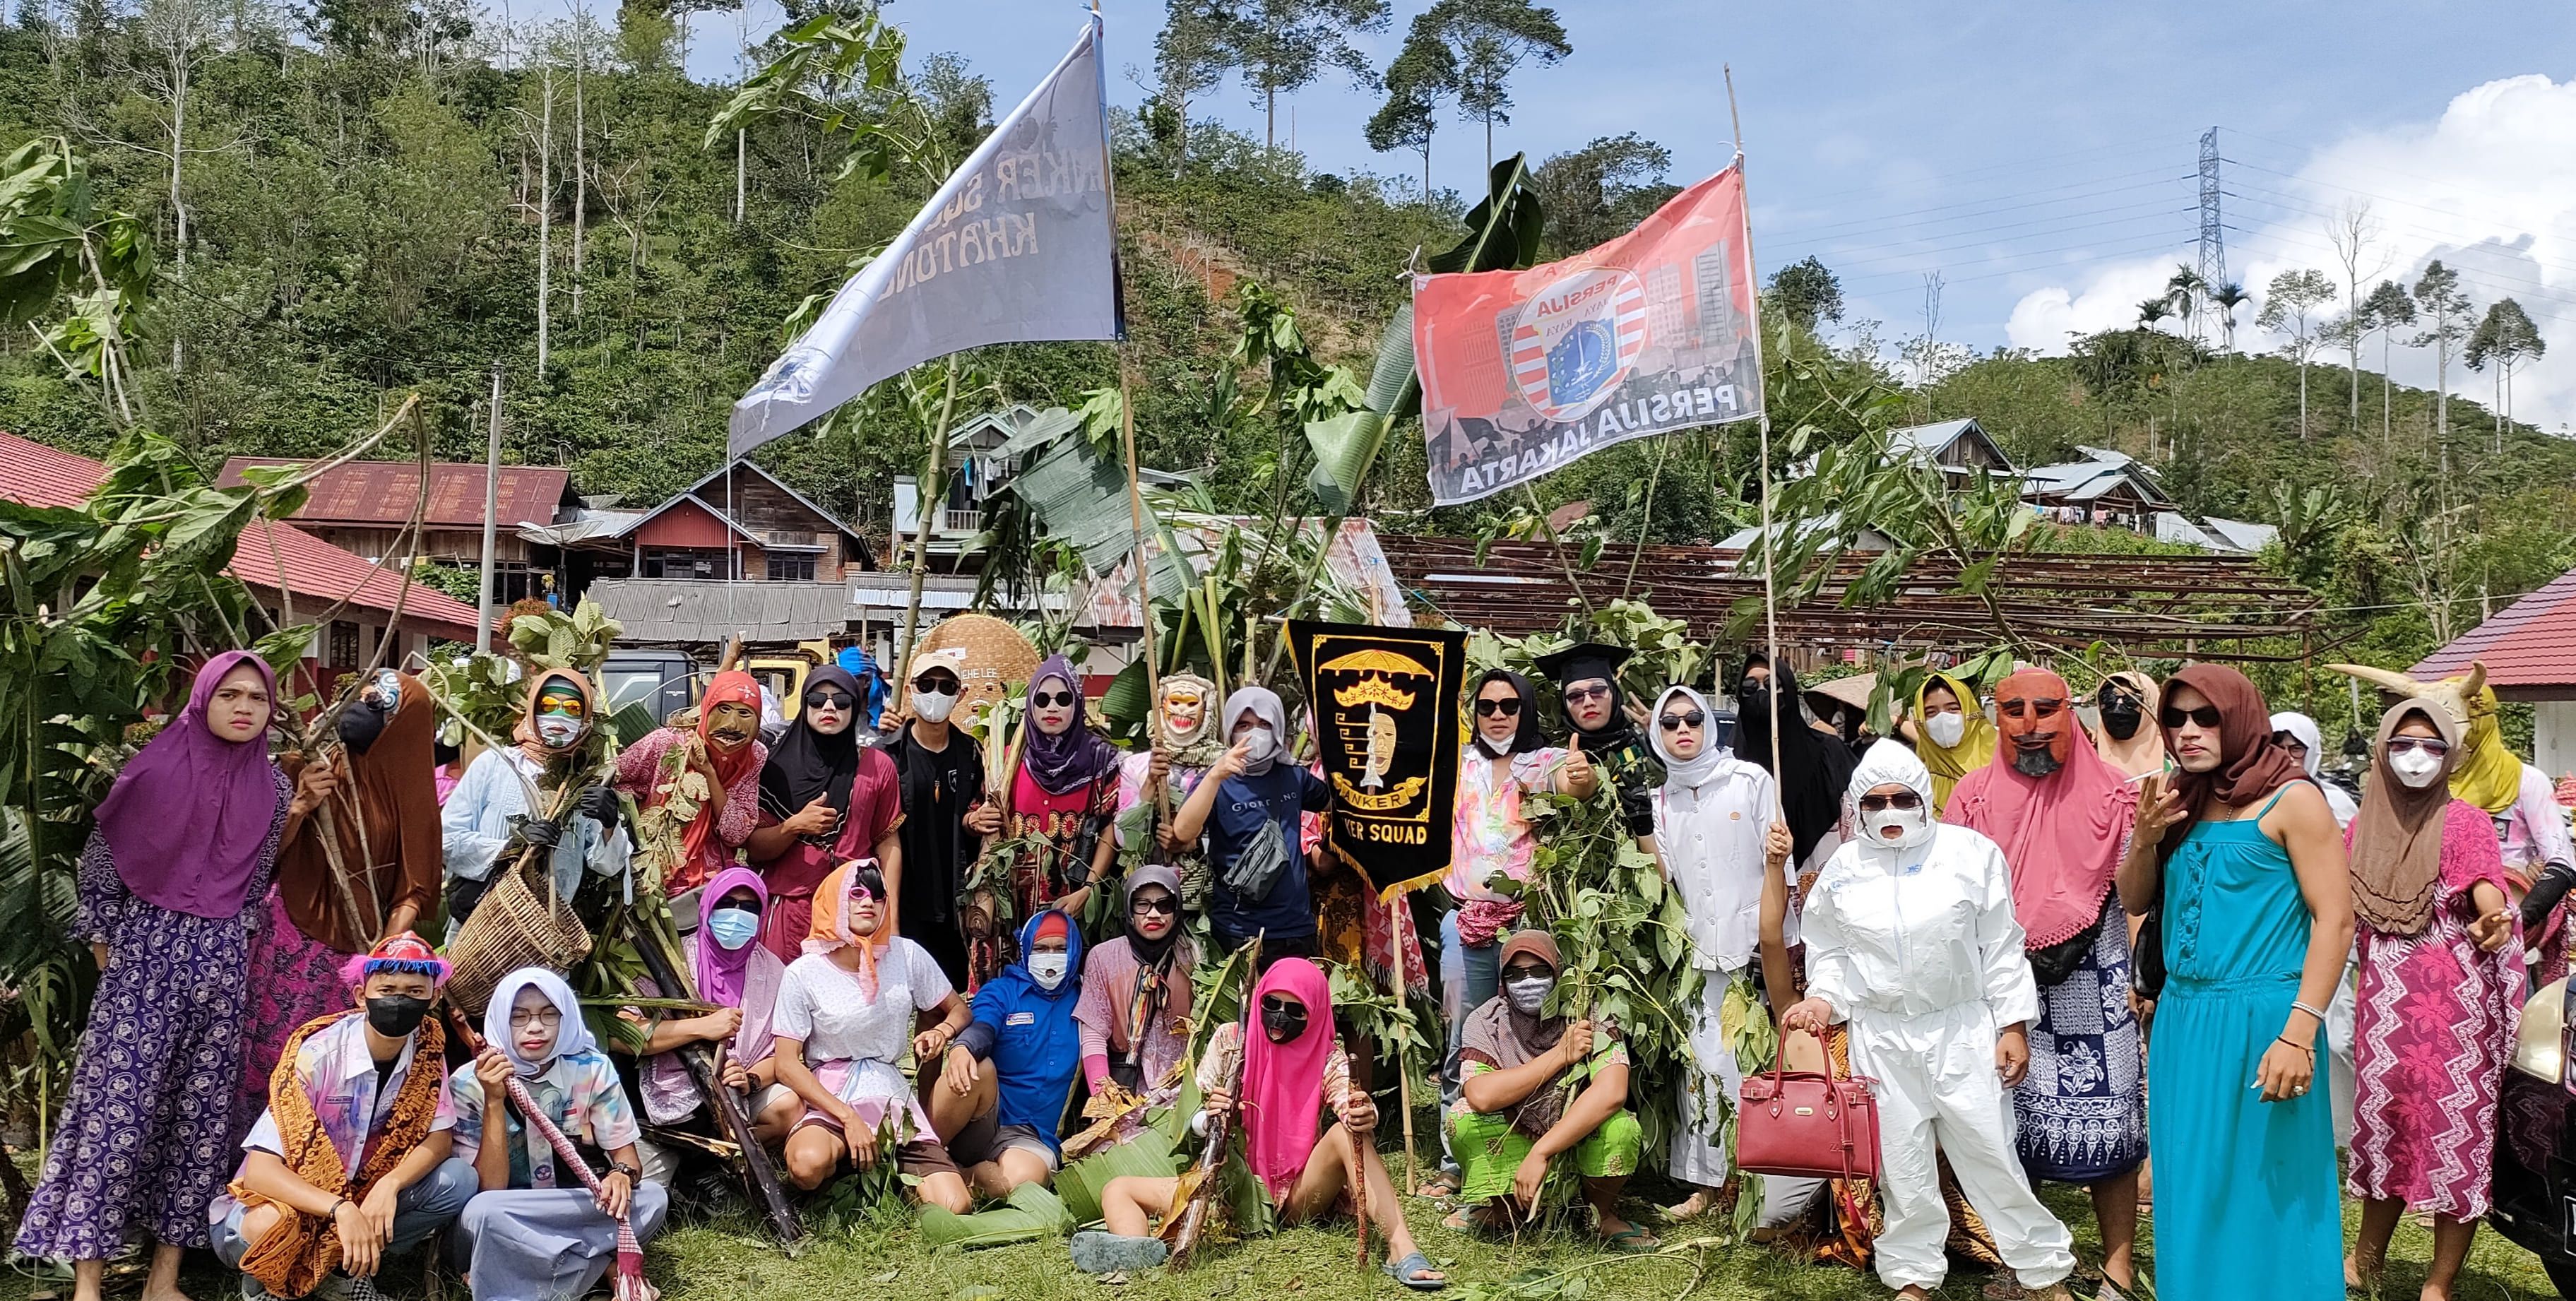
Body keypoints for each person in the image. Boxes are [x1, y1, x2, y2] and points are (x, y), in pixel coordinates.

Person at [15, 652, 327, 1301]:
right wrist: (110, 954)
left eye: (258, 699)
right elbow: (103, 867)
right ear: (203, 699)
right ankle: (88, 1284)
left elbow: (255, 877)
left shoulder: (268, 788)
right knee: (116, 1113)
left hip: (221, 964)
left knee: (199, 1122)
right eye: (229, 695)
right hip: (145, 957)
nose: (243, 708)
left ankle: (164, 1279)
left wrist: (295, 813)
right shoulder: (155, 770)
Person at [1781, 741, 2078, 1301]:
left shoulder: (1970, 854)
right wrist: (1822, 1001)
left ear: (1923, 798)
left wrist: (2012, 1024)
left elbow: (2000, 945)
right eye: (1874, 802)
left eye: (1901, 798)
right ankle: (1912, 1276)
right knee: (1901, 1164)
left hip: (1960, 1029)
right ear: (1856, 807)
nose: (1888, 811)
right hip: (1880, 1035)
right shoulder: (1843, 868)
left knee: (1991, 1155)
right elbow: (1831, 955)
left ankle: (2044, 1275)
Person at [2114, 664, 2351, 1301]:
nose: (2187, 731)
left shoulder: (2293, 799)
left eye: (2205, 717)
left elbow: (2335, 920)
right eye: (2175, 718)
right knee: (2191, 1179)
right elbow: (2136, 898)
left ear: (2240, 717)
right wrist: (2144, 840)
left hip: (2267, 1017)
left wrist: (2299, 1034)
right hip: (2183, 1018)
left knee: (2268, 1183)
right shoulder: (2178, 796)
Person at [1943, 668, 2145, 1290]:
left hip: (2097, 977)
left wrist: (2141, 980)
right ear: (1995, 717)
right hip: (1998, 984)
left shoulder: (2117, 794)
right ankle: (2028, 1270)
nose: (2029, 727)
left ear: (2071, 713)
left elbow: (2139, 896)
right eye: (2012, 711)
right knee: (2008, 1125)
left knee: (2109, 1124)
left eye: (2045, 710)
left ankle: (2115, 1272)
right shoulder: (1970, 797)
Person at [1093, 959, 1447, 1290]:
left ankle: (1401, 1245)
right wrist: (1208, 1118)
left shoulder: (1327, 1057)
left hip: (1296, 1195)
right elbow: (1187, 1114)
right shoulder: (1232, 1041)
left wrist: (1364, 1114)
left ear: (1317, 1014)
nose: (1279, 1018)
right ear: (1258, 998)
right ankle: (1136, 1250)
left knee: (1345, 1132)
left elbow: (1347, 1101)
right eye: (1271, 1005)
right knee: (1117, 1189)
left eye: (1296, 1011)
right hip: (1223, 1190)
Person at [2343, 700, 2522, 1301]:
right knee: (2384, 1125)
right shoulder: (2359, 826)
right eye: (2401, 744)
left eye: (2431, 746)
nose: (2416, 758)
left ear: (2449, 756)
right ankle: (2363, 1260)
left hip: (2454, 1003)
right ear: (2381, 751)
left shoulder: (2464, 821)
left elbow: (2484, 884)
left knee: (2455, 1134)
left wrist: (2493, 915)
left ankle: (2438, 1284)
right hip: (2383, 1003)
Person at [236, 670, 443, 1150]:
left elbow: (414, 889)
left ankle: (315, 1169)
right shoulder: (304, 766)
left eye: (380, 706)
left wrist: (380, 958)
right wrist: (301, 805)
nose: (363, 710)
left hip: (348, 962)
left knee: (324, 1074)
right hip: (285, 936)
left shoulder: (410, 796)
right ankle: (247, 1175)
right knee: (261, 1064)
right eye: (362, 698)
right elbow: (262, 860)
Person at [211, 933, 474, 1300]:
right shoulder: (318, 1055)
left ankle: (343, 1270)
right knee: (271, 1223)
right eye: (388, 988)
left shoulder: (428, 1050)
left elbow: (440, 1138)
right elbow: (261, 1170)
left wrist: (391, 1184)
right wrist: (339, 1208)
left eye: (415, 992)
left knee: (458, 1179)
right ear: (361, 995)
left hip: (367, 1190)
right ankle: (266, 1279)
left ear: (434, 998)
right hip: (293, 1203)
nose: (399, 1000)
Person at [1643, 684, 1794, 1219]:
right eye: (1669, 723)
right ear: (1658, 736)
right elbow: (1662, 879)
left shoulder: (1749, 780)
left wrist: (1781, 856)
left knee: (1751, 1065)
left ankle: (1758, 1179)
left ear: (1708, 724)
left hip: (1753, 948)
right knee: (1702, 1067)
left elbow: (1777, 862)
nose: (1682, 730)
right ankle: (1708, 1187)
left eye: (1691, 719)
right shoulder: (1661, 797)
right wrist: (1640, 828)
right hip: (1694, 953)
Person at [448, 968, 668, 1301]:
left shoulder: (592, 1069)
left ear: (566, 1019)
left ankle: (538, 1265)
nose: (535, 1027)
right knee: (483, 1212)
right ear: (498, 1021)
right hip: (510, 1211)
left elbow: (628, 1159)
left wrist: (621, 1176)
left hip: (568, 1206)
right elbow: (487, 1190)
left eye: (549, 1015)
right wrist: (494, 1100)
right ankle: (601, 1268)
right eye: (519, 1017)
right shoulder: (468, 1082)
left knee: (652, 1198)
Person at [771, 862, 975, 1213]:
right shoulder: (803, 972)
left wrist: (942, 1031)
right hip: (832, 1095)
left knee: (955, 1206)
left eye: (878, 895)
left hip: (891, 1092)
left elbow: (959, 1010)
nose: (869, 903)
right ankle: (846, 1163)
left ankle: (889, 1168)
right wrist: (848, 1117)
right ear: (835, 901)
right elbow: (787, 1064)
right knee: (806, 1166)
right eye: (857, 893)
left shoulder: (906, 954)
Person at [1444, 933, 1652, 1251]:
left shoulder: (1589, 1013)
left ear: (1557, 971)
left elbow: (1612, 1092)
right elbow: (1481, 1096)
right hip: (1516, 1123)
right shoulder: (1485, 1021)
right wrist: (1559, 1055)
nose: (1527, 982)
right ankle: (1506, 1210)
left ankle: (1599, 1213)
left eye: (1538, 971)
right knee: (1463, 1118)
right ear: (1503, 980)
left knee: (1621, 1127)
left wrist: (1542, 1152)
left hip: (1577, 1128)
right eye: (1515, 974)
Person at [625, 867, 801, 1187]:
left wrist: (750, 1079)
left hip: (739, 1095)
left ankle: (711, 1167)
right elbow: (623, 1035)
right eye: (727, 903)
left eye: (750, 909)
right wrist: (701, 1028)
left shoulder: (773, 971)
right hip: (674, 1096)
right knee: (647, 1189)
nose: (737, 915)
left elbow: (785, 1053)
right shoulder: (673, 961)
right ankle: (700, 1165)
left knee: (788, 1107)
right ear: (707, 906)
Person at [440, 668, 631, 932]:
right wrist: (511, 845)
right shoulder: (496, 764)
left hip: (547, 931)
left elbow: (608, 865)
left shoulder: (585, 779)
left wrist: (610, 823)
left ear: (586, 719)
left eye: (573, 708)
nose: (559, 716)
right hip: (482, 924)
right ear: (532, 709)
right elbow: (445, 840)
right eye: (549, 705)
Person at [747, 665, 902, 961]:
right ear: (804, 706)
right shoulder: (772, 769)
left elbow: (888, 843)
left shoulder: (877, 766)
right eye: (817, 700)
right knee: (785, 998)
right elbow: (754, 849)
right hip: (791, 908)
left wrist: (891, 919)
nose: (829, 707)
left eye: (842, 701)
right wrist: (793, 826)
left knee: (854, 999)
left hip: (855, 907)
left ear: (854, 708)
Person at [1170, 686, 1333, 961]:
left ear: (1278, 729)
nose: (1254, 733)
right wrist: (1215, 777)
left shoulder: (1294, 777)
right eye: (1244, 725)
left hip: (1295, 927)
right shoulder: (1216, 781)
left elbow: (1339, 804)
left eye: (1264, 724)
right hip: (1238, 928)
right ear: (1231, 730)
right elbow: (1184, 831)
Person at [930, 910, 1084, 1196]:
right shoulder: (1002, 991)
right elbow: (982, 1027)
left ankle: (954, 1176)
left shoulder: (1086, 1000)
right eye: (1040, 948)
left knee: (1019, 1182)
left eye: (1060, 949)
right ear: (1025, 950)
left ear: (1075, 951)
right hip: (981, 1119)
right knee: (979, 1067)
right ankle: (925, 1157)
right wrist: (962, 1048)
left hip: (1031, 1136)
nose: (1050, 956)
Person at [985, 657, 1119, 981]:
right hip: (1013, 903)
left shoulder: (1101, 759)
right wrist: (976, 818)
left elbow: (1111, 828)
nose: (1052, 707)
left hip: (1074, 902)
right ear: (1030, 704)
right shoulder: (1007, 758)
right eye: (1042, 699)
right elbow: (978, 813)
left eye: (1064, 699)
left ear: (1078, 703)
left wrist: (1087, 890)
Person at [884, 648, 1002, 988]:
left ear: (960, 695)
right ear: (910, 690)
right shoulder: (889, 755)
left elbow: (976, 812)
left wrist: (973, 821)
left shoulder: (975, 755)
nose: (936, 693)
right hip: (906, 897)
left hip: (956, 899)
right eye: (927, 684)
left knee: (950, 992)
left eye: (947, 687)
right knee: (904, 996)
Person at [1067, 866, 1195, 1155]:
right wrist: (1104, 1100)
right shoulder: (1104, 956)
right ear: (1129, 910)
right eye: (1142, 905)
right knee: (1111, 1153)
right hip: (1123, 1088)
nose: (1153, 915)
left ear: (1176, 911)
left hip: (1180, 1086)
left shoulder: (1194, 956)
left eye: (1164, 905)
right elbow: (1094, 1033)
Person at [615, 669, 765, 896]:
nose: (733, 725)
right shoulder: (667, 744)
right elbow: (613, 778)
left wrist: (709, 774)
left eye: (745, 714)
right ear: (707, 710)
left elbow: (736, 833)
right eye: (723, 710)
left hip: (713, 885)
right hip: (654, 877)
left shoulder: (754, 756)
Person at [1116, 671, 1223, 912]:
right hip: (1147, 903)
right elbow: (1124, 838)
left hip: (1208, 899)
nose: (1182, 711)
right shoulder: (1136, 766)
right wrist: (1151, 783)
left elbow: (1237, 835)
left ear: (1206, 711)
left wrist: (1192, 843)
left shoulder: (1223, 768)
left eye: (1192, 704)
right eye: (1175, 702)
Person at [1532, 642, 1656, 839]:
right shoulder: (1554, 761)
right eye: (1575, 696)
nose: (1589, 702)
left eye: (1598, 691)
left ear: (1614, 694)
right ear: (1564, 705)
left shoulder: (1645, 743)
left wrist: (1660, 745)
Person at [1905, 670, 1995, 813]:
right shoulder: (1917, 776)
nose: (1943, 718)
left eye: (1953, 709)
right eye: (1931, 712)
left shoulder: (2002, 757)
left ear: (1969, 711)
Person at [2270, 711, 2359, 827]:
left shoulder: (2336, 804)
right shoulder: (2251, 801)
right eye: (2278, 750)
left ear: (2312, 753)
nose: (2287, 758)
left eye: (2296, 749)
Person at [2090, 672, 2166, 781]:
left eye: (2130, 700)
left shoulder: (2173, 766)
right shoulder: (2087, 759)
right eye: (2108, 698)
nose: (2118, 708)